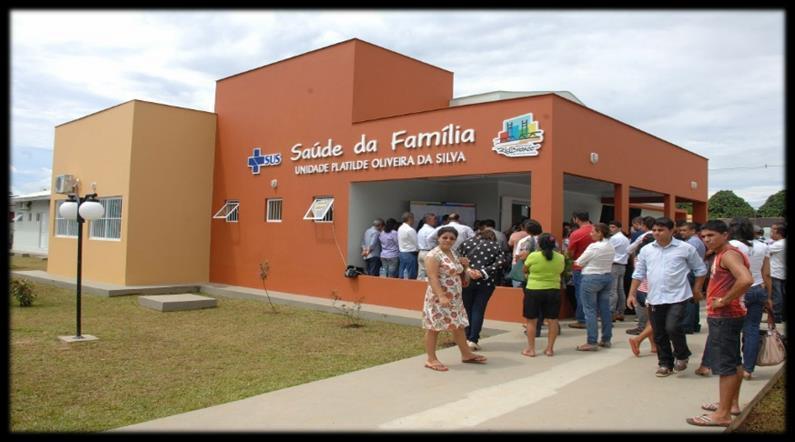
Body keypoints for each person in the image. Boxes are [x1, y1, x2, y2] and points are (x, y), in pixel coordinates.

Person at [686, 220, 752, 427]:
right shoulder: (721, 254)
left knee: (726, 366)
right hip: (728, 315)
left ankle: (722, 414)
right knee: (733, 361)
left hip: (726, 316)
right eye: (704, 236)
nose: (706, 240)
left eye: (711, 235)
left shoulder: (729, 254)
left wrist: (724, 300)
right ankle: (730, 404)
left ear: (725, 235)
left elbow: (745, 279)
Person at [627, 217, 707, 377]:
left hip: (678, 296)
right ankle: (665, 364)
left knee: (673, 327)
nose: (656, 233)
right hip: (655, 297)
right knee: (659, 332)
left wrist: (697, 289)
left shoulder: (685, 248)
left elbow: (700, 269)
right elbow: (639, 273)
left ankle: (682, 354)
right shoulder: (647, 250)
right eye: (655, 230)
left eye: (661, 230)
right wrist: (632, 293)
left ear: (672, 230)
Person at [421, 226, 487, 371]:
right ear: (438, 238)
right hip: (439, 297)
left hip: (455, 297)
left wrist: (466, 267)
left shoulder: (453, 253)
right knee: (434, 327)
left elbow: (462, 278)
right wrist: (441, 296)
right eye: (445, 237)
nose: (448, 240)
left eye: (452, 238)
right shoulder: (433, 255)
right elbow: (432, 277)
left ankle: (466, 354)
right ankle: (431, 359)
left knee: (458, 325)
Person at [728, 218, 772, 380]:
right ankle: (748, 369)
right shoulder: (763, 246)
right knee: (752, 329)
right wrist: (769, 295)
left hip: (737, 290)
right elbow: (766, 273)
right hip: (757, 289)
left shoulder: (732, 246)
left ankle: (733, 366)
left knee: (731, 330)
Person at [458, 229, 507, 350]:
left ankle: (466, 336)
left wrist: (468, 270)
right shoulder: (495, 246)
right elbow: (501, 261)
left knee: (467, 309)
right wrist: (483, 272)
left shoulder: (466, 243)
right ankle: (473, 339)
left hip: (466, 280)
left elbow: (457, 259)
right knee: (478, 309)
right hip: (486, 282)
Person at [521, 233, 565, 357]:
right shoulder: (560, 257)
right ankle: (550, 349)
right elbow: (561, 271)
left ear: (539, 244)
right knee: (553, 320)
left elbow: (525, 269)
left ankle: (531, 349)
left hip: (534, 289)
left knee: (531, 320)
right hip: (553, 290)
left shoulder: (533, 256)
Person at [574, 223, 616, 351]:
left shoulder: (594, 246)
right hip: (606, 276)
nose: (591, 233)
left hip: (591, 277)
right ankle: (606, 339)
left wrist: (578, 263)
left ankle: (592, 341)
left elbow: (580, 261)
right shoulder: (610, 246)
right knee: (605, 310)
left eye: (593, 231)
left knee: (590, 311)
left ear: (600, 233)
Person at [627, 234, 659, 356]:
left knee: (650, 320)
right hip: (650, 291)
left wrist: (632, 293)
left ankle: (653, 346)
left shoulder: (637, 257)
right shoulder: (652, 256)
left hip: (640, 290)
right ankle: (638, 340)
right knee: (655, 321)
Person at [678, 222, 707, 334]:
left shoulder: (692, 243)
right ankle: (694, 324)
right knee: (693, 299)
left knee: (689, 299)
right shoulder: (695, 241)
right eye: (681, 230)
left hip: (691, 271)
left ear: (693, 231)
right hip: (694, 272)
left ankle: (687, 325)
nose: (682, 233)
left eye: (685, 230)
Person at [566, 211, 594, 329]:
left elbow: (571, 253)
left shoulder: (576, 233)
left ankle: (582, 319)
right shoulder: (597, 230)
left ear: (576, 219)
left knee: (581, 294)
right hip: (597, 267)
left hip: (580, 267)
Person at [608, 220, 630, 322]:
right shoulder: (625, 239)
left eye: (613, 227)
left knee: (613, 291)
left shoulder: (614, 238)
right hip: (622, 265)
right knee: (620, 290)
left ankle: (611, 313)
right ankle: (621, 312)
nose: (611, 229)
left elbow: (607, 250)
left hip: (614, 265)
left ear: (619, 228)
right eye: (610, 227)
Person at [768, 222, 786, 323]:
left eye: (772, 230)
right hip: (780, 272)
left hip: (776, 273)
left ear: (777, 232)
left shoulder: (779, 244)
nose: (770, 233)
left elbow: (765, 250)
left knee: (776, 296)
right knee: (780, 295)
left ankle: (776, 317)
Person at [416, 213, 438, 281]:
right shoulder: (432, 230)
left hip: (421, 252)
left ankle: (418, 288)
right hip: (429, 253)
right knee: (430, 273)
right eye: (434, 219)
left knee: (421, 274)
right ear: (428, 220)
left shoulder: (420, 230)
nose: (436, 221)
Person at [397, 212, 419, 280]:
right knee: (411, 274)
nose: (414, 220)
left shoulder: (400, 228)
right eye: (413, 218)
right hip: (410, 254)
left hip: (402, 253)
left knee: (402, 273)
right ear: (410, 218)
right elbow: (416, 243)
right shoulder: (410, 230)